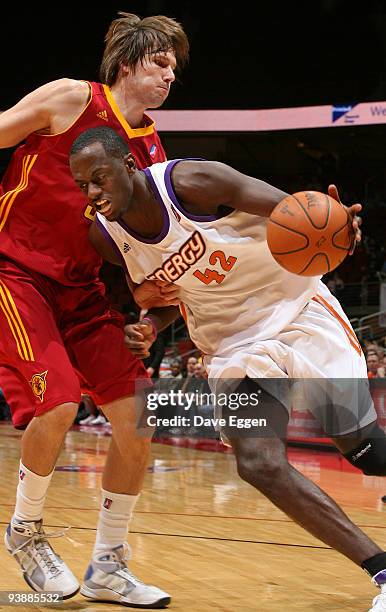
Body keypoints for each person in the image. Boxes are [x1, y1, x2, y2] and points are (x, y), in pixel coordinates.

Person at [69, 125, 386, 611]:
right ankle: (381, 570)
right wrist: (151, 326)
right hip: (233, 345)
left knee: (364, 450)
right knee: (258, 462)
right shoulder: (106, 235)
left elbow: (298, 212)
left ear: (128, 166)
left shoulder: (194, 181)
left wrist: (338, 223)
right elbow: (167, 295)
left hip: (298, 308)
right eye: (82, 186)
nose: (92, 194)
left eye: (99, 178)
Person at [0, 13, 188, 606]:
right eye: (161, 63)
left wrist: (149, 315)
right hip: (16, 271)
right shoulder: (70, 99)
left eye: (175, 68)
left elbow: (146, 244)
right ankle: (25, 532)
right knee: (55, 404)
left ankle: (108, 565)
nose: (170, 75)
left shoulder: (152, 151)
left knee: (138, 417)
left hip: (82, 290)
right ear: (129, 62)